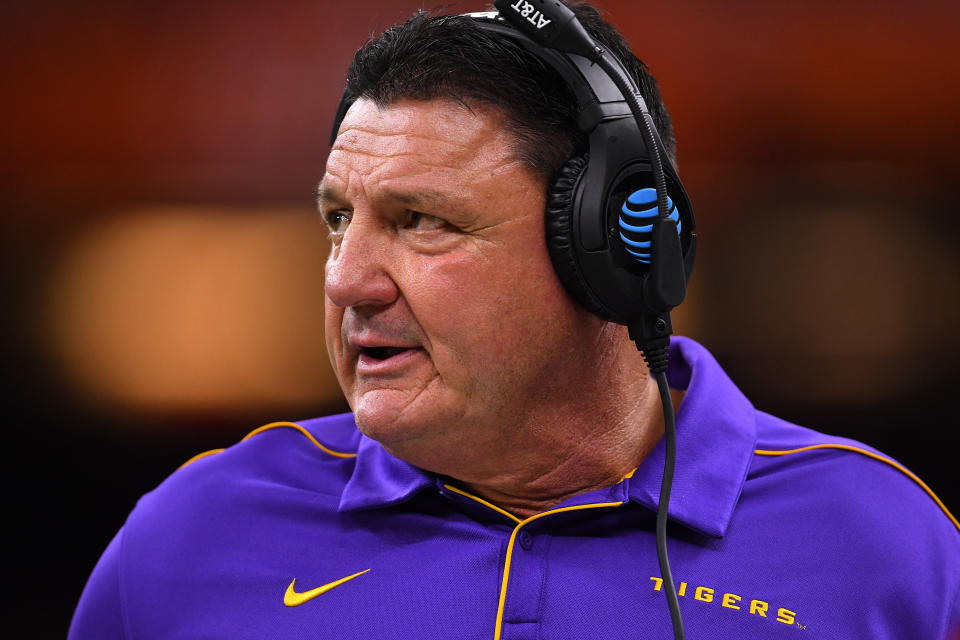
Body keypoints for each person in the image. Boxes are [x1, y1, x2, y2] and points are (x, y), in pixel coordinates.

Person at [70, 2, 959, 639]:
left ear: (613, 247)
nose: (348, 281)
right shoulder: (194, 534)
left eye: (424, 222)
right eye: (340, 220)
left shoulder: (886, 546)